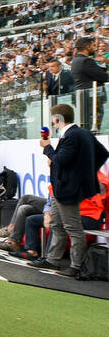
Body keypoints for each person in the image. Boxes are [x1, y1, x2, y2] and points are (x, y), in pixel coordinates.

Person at [35, 103, 109, 278]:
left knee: (72, 227)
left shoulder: (72, 135)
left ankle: (76, 266)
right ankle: (53, 259)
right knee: (57, 224)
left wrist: (47, 148)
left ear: (57, 119)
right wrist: (85, 172)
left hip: (67, 188)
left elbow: (60, 160)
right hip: (64, 187)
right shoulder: (83, 133)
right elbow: (102, 153)